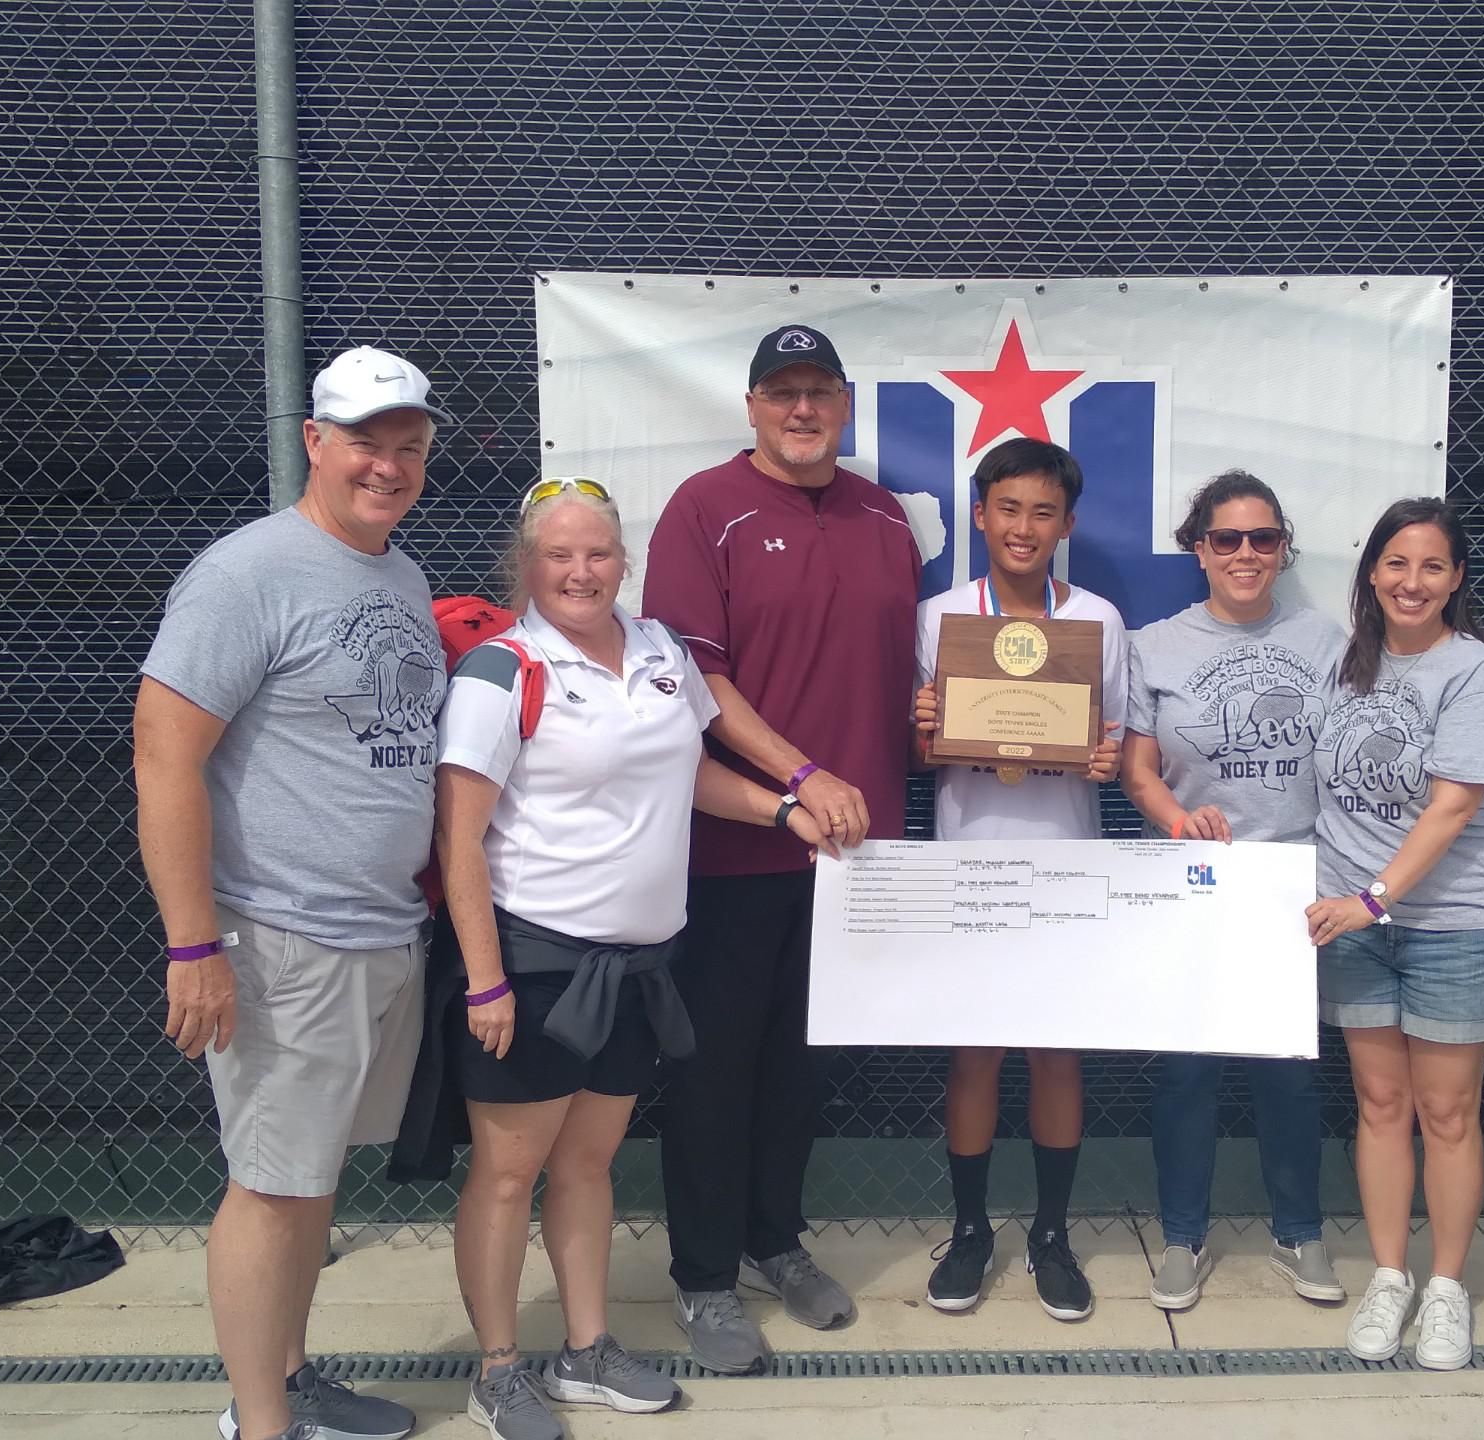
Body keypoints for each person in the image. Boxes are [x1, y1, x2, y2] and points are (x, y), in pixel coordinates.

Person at [431, 477, 838, 1438]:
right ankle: (498, 1370)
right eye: (559, 555)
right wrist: (486, 979)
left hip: (639, 970)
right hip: (534, 970)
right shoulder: (502, 669)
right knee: (508, 1174)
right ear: (526, 565)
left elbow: (690, 773)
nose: (581, 571)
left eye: (598, 553)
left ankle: (587, 1350)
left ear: (625, 560)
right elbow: (459, 838)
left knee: (588, 1165)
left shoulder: (660, 650)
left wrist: (783, 809)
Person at [134, 346, 448, 1440]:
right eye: (366, 443)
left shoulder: (400, 575)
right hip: (280, 939)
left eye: (409, 447)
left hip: (378, 933)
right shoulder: (246, 575)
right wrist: (192, 946)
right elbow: (164, 754)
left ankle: (290, 1379)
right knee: (270, 1187)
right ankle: (260, 1422)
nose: (388, 466)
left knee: (310, 1178)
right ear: (315, 441)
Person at [641, 324, 922, 1373]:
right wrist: (800, 777)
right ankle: (704, 1276)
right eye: (782, 391)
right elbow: (694, 682)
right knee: (714, 1071)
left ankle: (774, 1241)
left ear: (844, 403)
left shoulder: (884, 515)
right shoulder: (704, 508)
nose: (803, 409)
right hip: (737, 847)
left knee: (803, 1069)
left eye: (819, 391)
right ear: (753, 405)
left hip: (855, 859)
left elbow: (893, 674)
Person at [1118, 470, 1347, 1313]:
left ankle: (1299, 1231)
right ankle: (1182, 1236)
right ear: (1199, 549)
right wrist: (1178, 819)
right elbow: (1138, 771)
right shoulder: (1154, 645)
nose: (1246, 554)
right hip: (1194, 885)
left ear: (1283, 548)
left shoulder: (1328, 642)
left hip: (1293, 884)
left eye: (1263, 538)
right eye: (1227, 539)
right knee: (1187, 1071)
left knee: (1288, 1073)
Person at [909, 437, 1127, 1321]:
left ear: (1067, 524)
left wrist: (1105, 759)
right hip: (970, 861)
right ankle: (969, 1231)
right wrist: (925, 727)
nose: (1024, 527)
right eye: (1008, 509)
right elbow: (919, 752)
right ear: (980, 515)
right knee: (974, 1051)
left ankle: (1051, 1234)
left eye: (1043, 512)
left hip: (1067, 861)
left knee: (1056, 1052)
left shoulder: (1100, 620)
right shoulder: (938, 616)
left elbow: (1112, 743)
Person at [1306, 496, 1484, 1371]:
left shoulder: (1475, 671)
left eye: (1433, 566)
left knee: (1447, 1112)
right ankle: (1391, 1275)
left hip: (1452, 923)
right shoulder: (1342, 665)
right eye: (1396, 563)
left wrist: (1374, 898)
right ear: (1371, 573)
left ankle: (1446, 1289)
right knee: (1381, 1105)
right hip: (1353, 920)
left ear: (1457, 578)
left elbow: (1453, 807)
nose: (1412, 581)